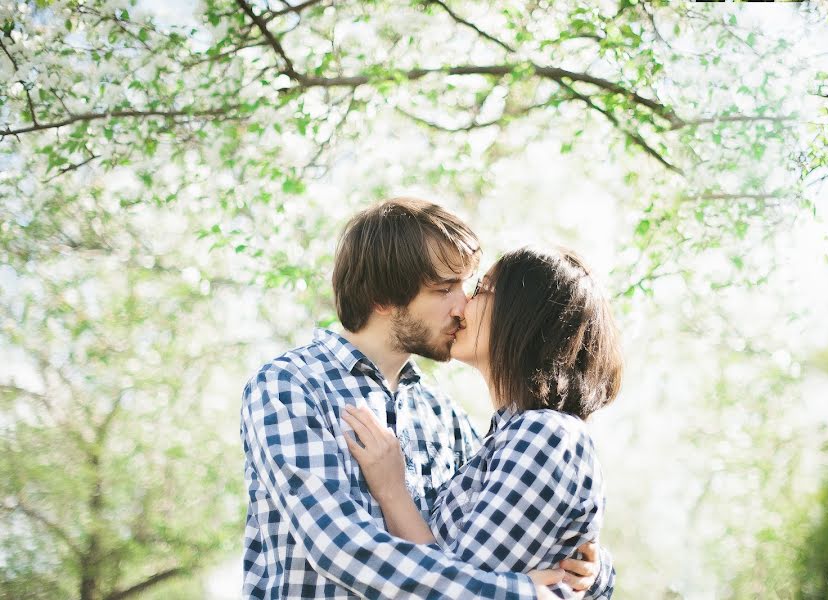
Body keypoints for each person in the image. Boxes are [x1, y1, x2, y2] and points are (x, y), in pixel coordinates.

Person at [241, 198, 614, 599]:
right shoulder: (291, 387)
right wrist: (519, 594)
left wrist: (591, 567)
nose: (462, 305)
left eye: (467, 286)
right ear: (382, 298)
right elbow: (341, 546)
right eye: (444, 289)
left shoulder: (443, 416)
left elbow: (501, 525)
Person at [342, 247, 621, 599]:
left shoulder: (544, 436)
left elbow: (452, 590)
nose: (461, 306)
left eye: (482, 290)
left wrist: (392, 491)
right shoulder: (503, 438)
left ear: (524, 316)